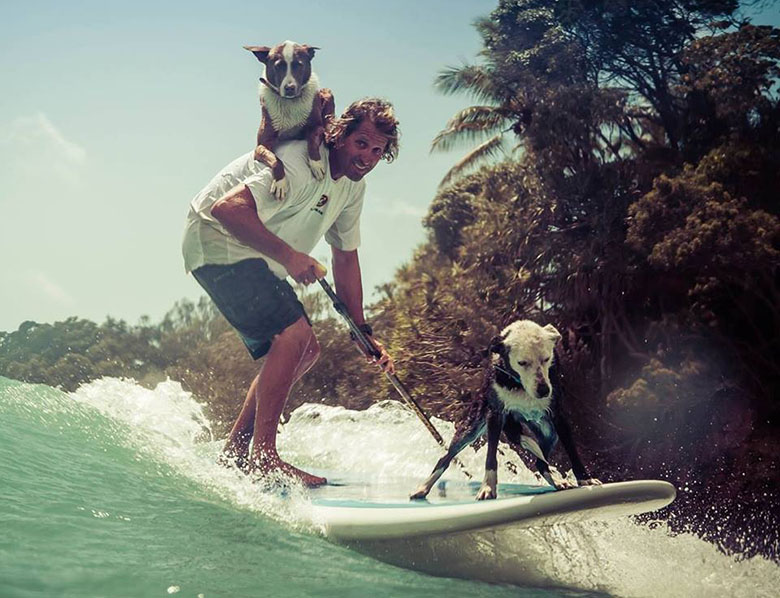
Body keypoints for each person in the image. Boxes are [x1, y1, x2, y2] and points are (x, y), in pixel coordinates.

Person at [182, 98, 399, 487]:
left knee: (306, 348)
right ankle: (264, 457)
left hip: (254, 256)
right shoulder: (301, 164)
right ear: (340, 135)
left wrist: (361, 330)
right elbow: (226, 209)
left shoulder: (352, 188)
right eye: (361, 142)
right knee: (293, 334)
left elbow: (345, 257)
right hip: (217, 242)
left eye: (378, 150)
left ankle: (235, 453)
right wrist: (290, 256)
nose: (368, 156)